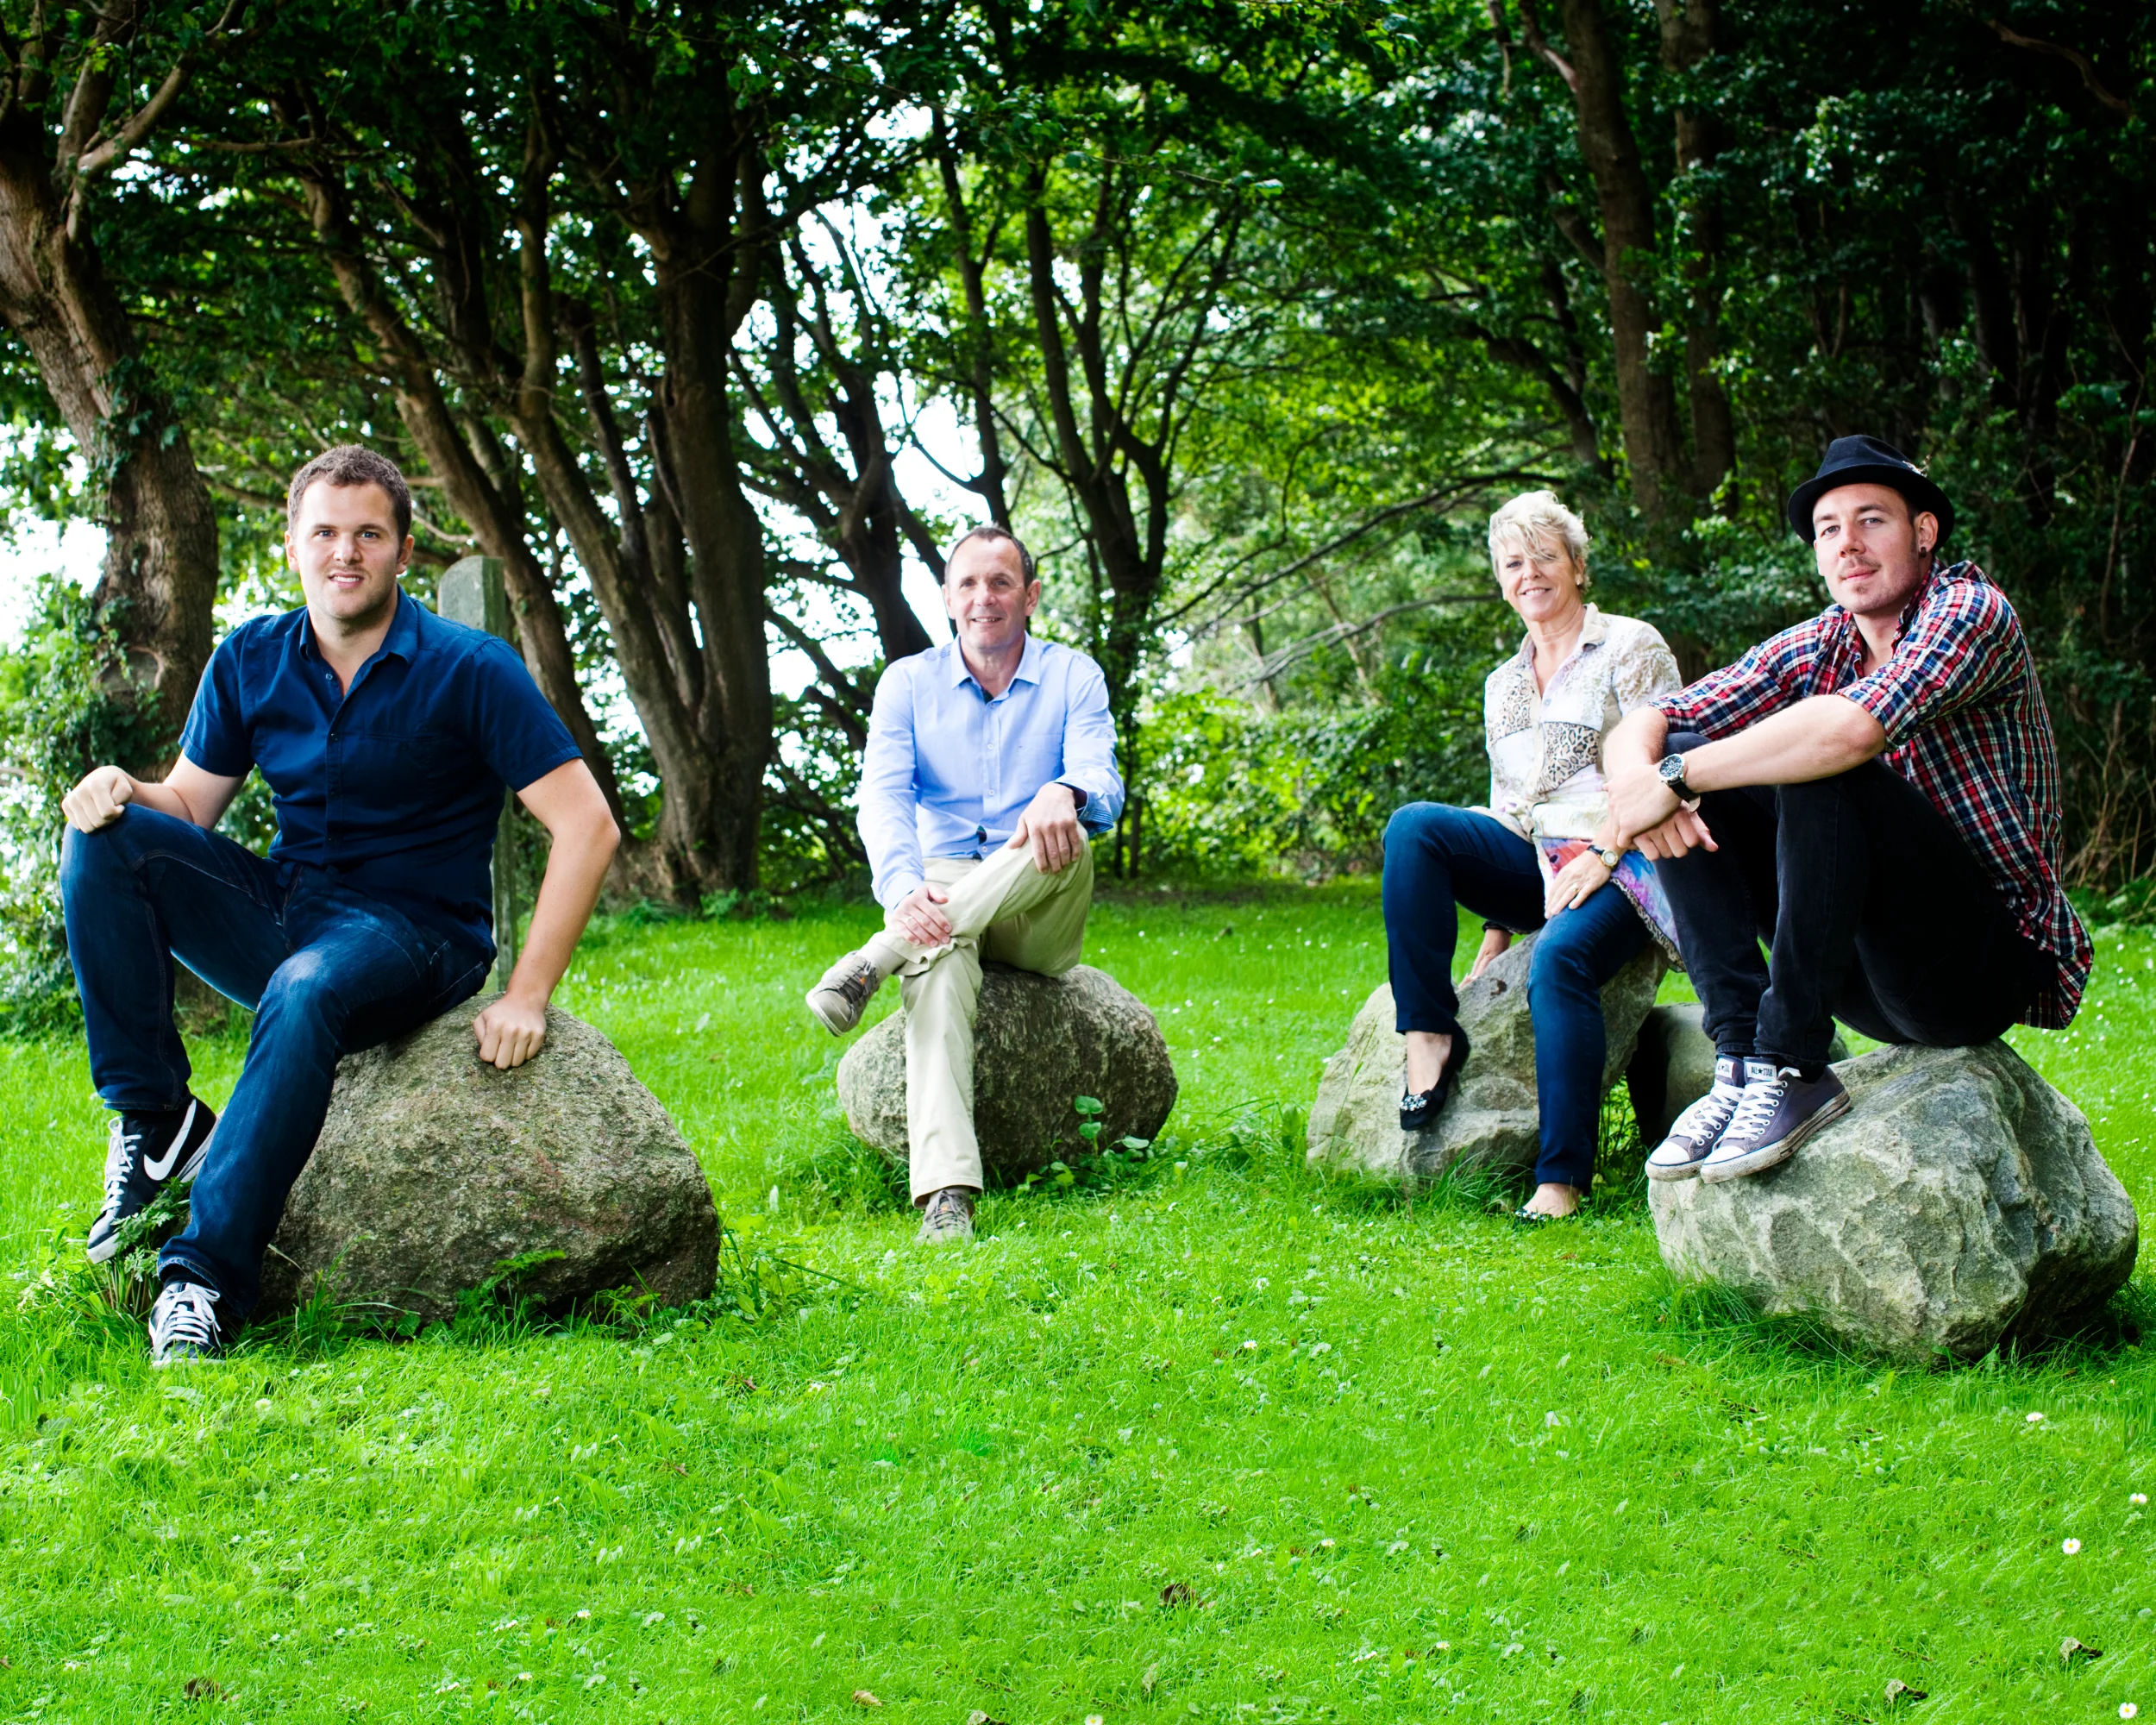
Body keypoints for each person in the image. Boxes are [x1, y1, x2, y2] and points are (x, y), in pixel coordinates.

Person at [60, 445, 620, 1364]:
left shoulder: (468, 667)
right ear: (291, 546)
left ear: (402, 549)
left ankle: (201, 1279)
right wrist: (119, 785)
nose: (344, 552)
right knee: (102, 835)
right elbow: (191, 806)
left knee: (306, 986)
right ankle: (158, 1123)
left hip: (417, 935)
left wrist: (527, 992)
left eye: (368, 533)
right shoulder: (252, 657)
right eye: (324, 532)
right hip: (290, 902)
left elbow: (586, 825)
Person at [1599, 435, 2091, 1184]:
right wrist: (1647, 776)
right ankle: (1741, 1056)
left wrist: (1673, 776)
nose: (1848, 545)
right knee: (1701, 746)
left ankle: (1796, 1064)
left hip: (1979, 969)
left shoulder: (1970, 611)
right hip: (1871, 975)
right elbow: (1655, 719)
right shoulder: (1821, 641)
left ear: (1923, 533)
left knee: (1817, 756)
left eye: (1872, 521)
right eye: (1830, 530)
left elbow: (1851, 731)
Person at [805, 524, 1123, 1245]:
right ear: (948, 598)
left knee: (1061, 834)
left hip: (1040, 893)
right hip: (946, 884)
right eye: (970, 584)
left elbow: (1101, 776)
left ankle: (877, 958)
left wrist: (1065, 792)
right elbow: (882, 798)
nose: (986, 598)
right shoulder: (908, 684)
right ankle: (947, 1194)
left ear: (1030, 596)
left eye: (1002, 582)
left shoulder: (1074, 675)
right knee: (940, 962)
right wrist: (901, 888)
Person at [1382, 490, 1682, 1223]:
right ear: (1500, 580)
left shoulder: (1632, 645)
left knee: (1561, 963)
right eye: (1513, 563)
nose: (1530, 573)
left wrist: (1605, 853)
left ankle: (1562, 1179)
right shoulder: (1503, 683)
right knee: (1415, 828)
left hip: (1634, 856)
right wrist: (1495, 934)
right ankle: (1428, 1032)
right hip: (1537, 858)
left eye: (1545, 556)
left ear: (1577, 566)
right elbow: (1510, 805)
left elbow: (1671, 770)